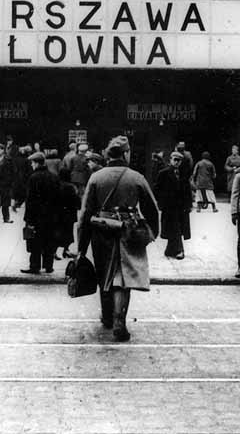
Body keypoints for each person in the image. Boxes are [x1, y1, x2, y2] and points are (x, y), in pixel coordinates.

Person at [76, 136, 159, 342]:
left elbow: (85, 214)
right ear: (126, 153)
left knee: (103, 274)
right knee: (123, 278)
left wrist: (81, 247)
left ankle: (106, 317)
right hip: (128, 232)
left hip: (100, 232)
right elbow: (152, 209)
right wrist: (151, 234)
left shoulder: (96, 178)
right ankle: (119, 321)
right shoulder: (137, 177)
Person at [21, 152, 61, 274]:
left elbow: (30, 200)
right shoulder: (53, 177)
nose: (32, 165)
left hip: (37, 216)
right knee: (49, 240)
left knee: (35, 241)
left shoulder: (33, 178)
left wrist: (28, 218)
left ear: (37, 163)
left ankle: (35, 266)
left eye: (32, 163)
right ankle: (49, 266)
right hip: (51, 215)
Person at [154, 151, 192, 259]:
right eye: (174, 160)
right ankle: (180, 250)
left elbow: (187, 189)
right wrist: (161, 203)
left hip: (181, 206)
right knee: (175, 227)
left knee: (177, 227)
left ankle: (170, 249)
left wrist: (189, 204)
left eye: (179, 160)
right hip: (169, 206)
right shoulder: (163, 173)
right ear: (170, 160)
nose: (176, 162)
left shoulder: (183, 173)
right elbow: (157, 189)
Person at [57, 167, 80, 260]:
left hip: (59, 213)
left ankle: (55, 251)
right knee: (68, 232)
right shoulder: (71, 187)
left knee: (58, 231)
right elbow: (77, 201)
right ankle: (66, 250)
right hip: (69, 214)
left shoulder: (57, 185)